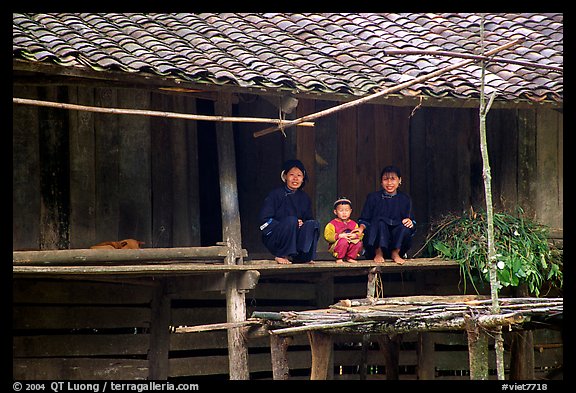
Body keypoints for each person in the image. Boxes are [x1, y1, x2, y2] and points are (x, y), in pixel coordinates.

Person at [258, 159, 320, 264]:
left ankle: (304, 257)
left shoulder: (305, 198)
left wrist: (301, 224)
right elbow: (264, 221)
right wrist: (288, 224)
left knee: (313, 224)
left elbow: (308, 219)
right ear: (285, 176)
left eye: (299, 175)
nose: (295, 178)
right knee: (292, 221)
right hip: (276, 237)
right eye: (292, 174)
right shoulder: (275, 195)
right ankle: (281, 254)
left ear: (303, 178)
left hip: (296, 236)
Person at [354, 165, 416, 265]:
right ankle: (379, 252)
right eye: (385, 179)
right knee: (381, 222)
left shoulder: (405, 199)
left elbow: (412, 221)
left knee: (404, 228)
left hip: (396, 240)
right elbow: (364, 219)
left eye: (393, 179)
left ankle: (395, 253)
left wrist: (410, 222)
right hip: (375, 241)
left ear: (399, 180)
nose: (389, 183)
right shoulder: (373, 198)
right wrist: (361, 228)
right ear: (381, 182)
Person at [324, 197, 364, 263]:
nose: (344, 213)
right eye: (341, 211)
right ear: (335, 212)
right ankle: (339, 257)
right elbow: (327, 236)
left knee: (358, 243)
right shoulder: (331, 224)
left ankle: (351, 257)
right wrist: (339, 236)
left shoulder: (354, 224)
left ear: (351, 211)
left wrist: (355, 235)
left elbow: (361, 234)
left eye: (347, 210)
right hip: (337, 246)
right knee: (343, 241)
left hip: (350, 243)